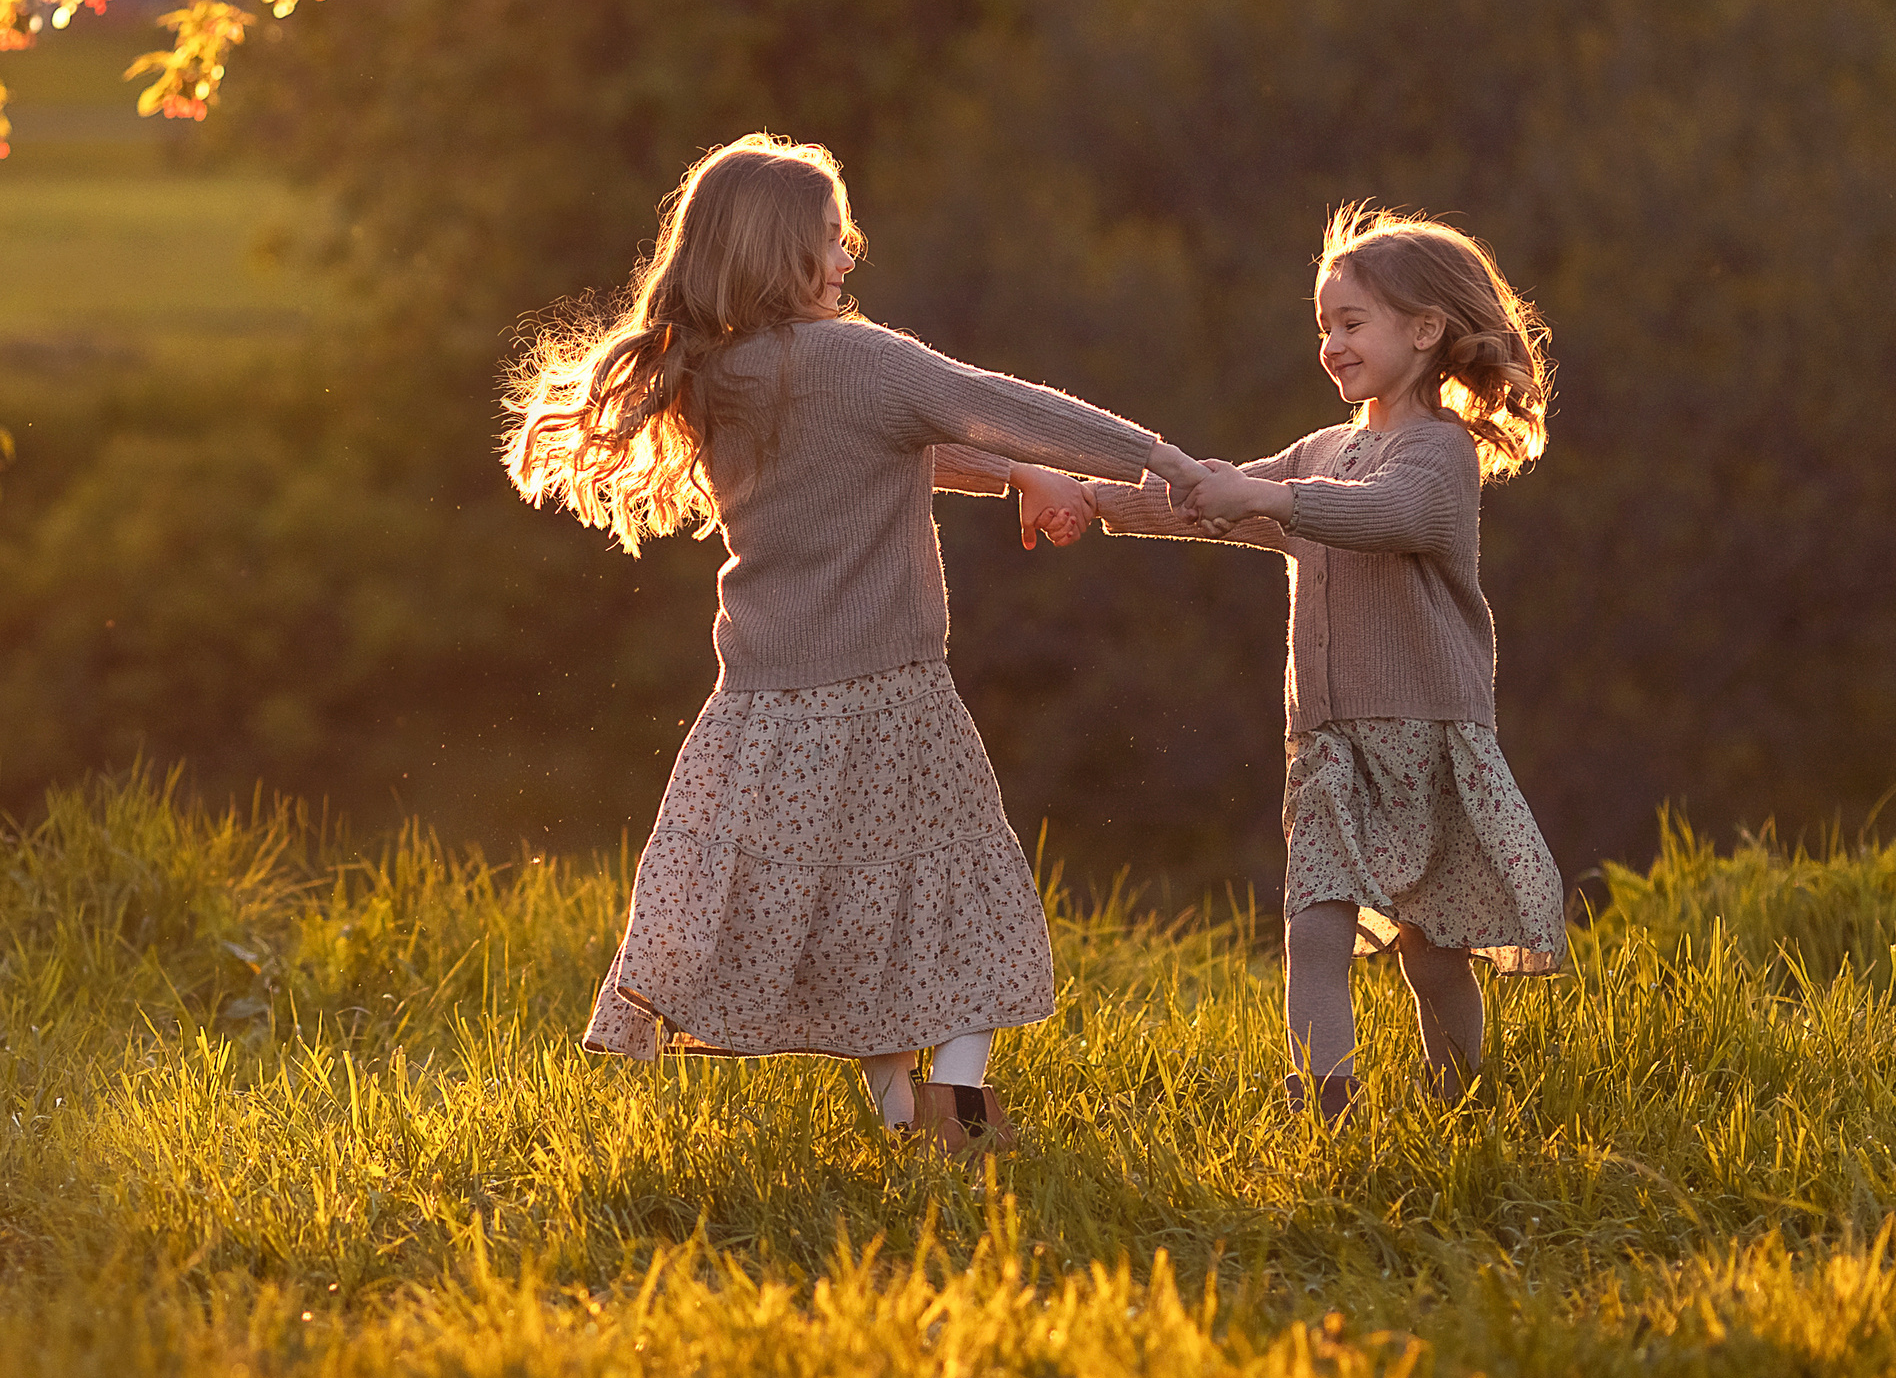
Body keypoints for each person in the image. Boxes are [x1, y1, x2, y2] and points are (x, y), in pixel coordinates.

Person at [502, 132, 1210, 1153]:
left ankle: (897, 1126)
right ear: (781, 252)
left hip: (762, 709)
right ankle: (961, 1114)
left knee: (854, 916)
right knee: (965, 901)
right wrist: (1163, 461)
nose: (848, 257)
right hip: (888, 695)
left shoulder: (718, 373)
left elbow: (910, 450)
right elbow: (1008, 411)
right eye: (832, 240)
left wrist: (1016, 478)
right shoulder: (868, 361)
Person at [1015, 206, 1566, 1120]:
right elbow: (1213, 500)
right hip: (1327, 741)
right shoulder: (1323, 450)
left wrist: (1267, 495)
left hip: (1425, 735)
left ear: (1425, 331)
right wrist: (1091, 496)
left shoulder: (1440, 454)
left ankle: (1464, 1101)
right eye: (1324, 328)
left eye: (1352, 324)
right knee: (1313, 928)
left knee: (1433, 950)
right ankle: (1323, 1103)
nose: (1332, 346)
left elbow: (1380, 515)